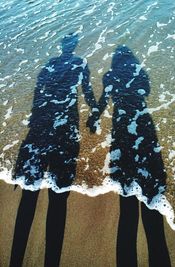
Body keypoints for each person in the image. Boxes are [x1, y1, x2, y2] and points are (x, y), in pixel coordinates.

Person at [10, 33, 97, 267]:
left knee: (29, 196)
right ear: (74, 46)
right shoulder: (80, 62)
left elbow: (38, 98)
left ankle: (15, 261)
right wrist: (96, 111)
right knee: (58, 198)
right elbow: (87, 92)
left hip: (39, 131)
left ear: (61, 46)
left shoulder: (49, 65)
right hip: (65, 130)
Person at [87, 45, 171, 267]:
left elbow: (104, 99)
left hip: (122, 133)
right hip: (144, 129)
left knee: (127, 214)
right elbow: (147, 91)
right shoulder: (140, 72)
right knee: (154, 220)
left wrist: (95, 115)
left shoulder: (109, 76)